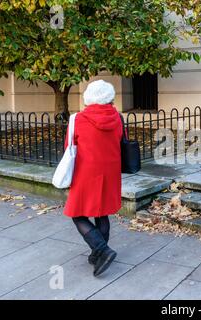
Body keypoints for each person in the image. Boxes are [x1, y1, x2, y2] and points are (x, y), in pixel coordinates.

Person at [63, 80, 123, 277]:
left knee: (77, 213)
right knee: (102, 213)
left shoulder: (77, 119)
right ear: (109, 97)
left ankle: (102, 250)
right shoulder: (118, 118)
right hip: (111, 170)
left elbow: (68, 148)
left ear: (88, 98)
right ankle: (97, 254)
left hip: (86, 171)